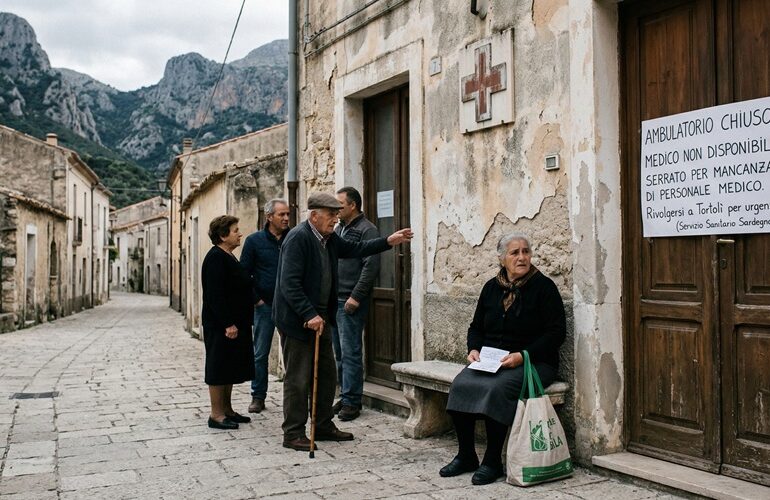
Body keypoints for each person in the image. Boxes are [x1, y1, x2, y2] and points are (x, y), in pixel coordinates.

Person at [273, 192, 413, 451]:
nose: (336, 220)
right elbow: (289, 284)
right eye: (331, 215)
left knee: (326, 375)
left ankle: (323, 425)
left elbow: (356, 249)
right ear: (314, 216)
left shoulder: (328, 238)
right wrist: (308, 314)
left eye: (337, 215)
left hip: (321, 319)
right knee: (298, 378)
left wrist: (388, 241)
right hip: (298, 322)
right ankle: (292, 433)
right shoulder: (298, 238)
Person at [441, 232, 566, 485]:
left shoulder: (544, 288)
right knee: (461, 385)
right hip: (492, 360)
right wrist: (474, 349)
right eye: (514, 252)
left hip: (535, 362)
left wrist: (523, 356)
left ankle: (492, 460)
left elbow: (556, 333)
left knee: (497, 389)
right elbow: (476, 327)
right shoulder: (491, 287)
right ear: (502, 259)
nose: (522, 257)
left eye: (525, 252)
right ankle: (466, 455)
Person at [201, 215, 256, 430]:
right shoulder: (215, 258)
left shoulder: (229, 256)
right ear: (223, 235)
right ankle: (216, 415)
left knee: (229, 367)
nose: (239, 233)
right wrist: (227, 323)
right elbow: (215, 295)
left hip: (235, 323)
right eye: (235, 230)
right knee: (218, 367)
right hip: (221, 326)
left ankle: (227, 410)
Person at [331, 187, 380, 422]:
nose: (336, 209)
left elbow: (371, 266)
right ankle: (346, 394)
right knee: (339, 353)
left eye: (340, 205)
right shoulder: (339, 228)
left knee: (350, 352)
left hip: (349, 299)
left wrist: (356, 296)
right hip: (334, 299)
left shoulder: (367, 229)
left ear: (352, 205)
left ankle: (352, 402)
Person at [240, 199, 291, 414]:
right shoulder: (254, 241)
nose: (286, 218)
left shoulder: (294, 238)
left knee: (293, 353)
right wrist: (256, 299)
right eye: (282, 215)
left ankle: (295, 396)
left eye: (288, 214)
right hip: (264, 306)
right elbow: (244, 274)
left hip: (290, 306)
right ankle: (258, 396)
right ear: (269, 217)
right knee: (260, 353)